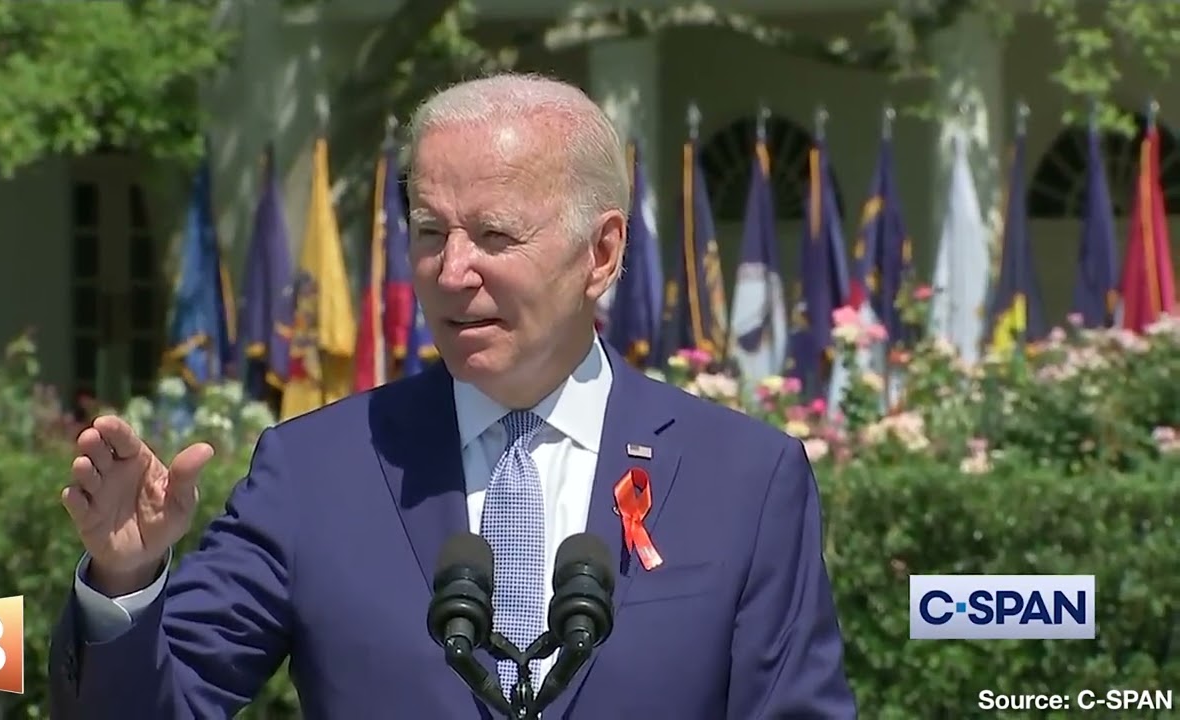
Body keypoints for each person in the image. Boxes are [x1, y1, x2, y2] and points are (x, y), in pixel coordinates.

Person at [48, 72, 856, 719]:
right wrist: (125, 580)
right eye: (430, 232)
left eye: (495, 235)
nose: (451, 270)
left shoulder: (744, 479)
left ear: (602, 253)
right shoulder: (315, 470)